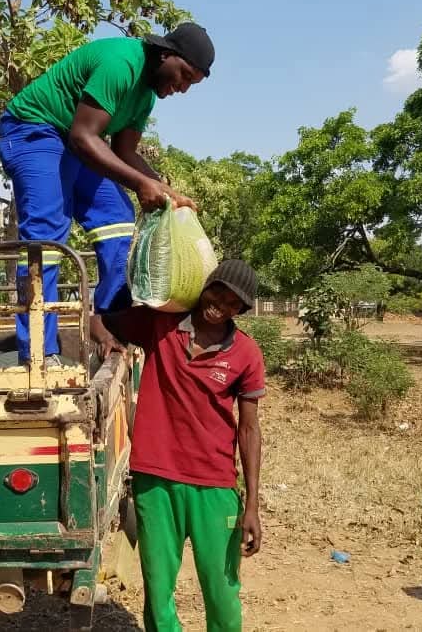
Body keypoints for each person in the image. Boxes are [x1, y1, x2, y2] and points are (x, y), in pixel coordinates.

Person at [0, 22, 214, 363]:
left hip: (75, 143)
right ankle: (39, 354)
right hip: (35, 130)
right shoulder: (121, 64)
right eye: (184, 75)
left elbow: (125, 153)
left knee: (118, 221)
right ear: (166, 55)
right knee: (47, 237)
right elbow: (85, 137)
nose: (182, 88)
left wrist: (167, 192)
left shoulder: (144, 95)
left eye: (191, 84)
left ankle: (108, 323)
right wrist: (143, 184)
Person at [91, 260, 265, 632]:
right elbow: (101, 317)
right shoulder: (161, 324)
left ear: (242, 310)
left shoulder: (246, 354)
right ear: (206, 285)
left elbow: (249, 430)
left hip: (214, 485)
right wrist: (109, 342)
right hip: (155, 478)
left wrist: (251, 504)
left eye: (234, 303)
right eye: (219, 291)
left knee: (222, 592)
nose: (222, 304)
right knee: (158, 592)